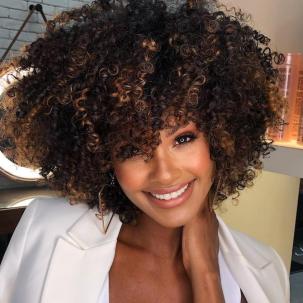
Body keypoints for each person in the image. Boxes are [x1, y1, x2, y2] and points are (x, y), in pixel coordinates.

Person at [0, 0, 290, 302]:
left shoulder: (265, 270)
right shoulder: (44, 230)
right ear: (102, 155)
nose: (164, 173)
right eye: (132, 149)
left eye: (183, 139)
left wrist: (207, 275)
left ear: (220, 136)